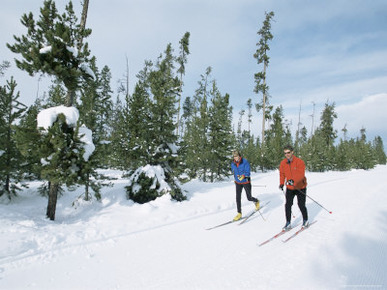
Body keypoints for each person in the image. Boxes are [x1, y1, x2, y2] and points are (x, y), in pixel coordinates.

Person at [279, 145, 309, 229]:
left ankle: (305, 220)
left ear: (292, 152)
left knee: (301, 205)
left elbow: (301, 175)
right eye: (285, 153)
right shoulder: (283, 163)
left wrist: (293, 181)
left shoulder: (299, 162)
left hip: (300, 187)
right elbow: (282, 174)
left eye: (288, 152)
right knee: (288, 205)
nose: (287, 154)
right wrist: (281, 183)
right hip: (290, 188)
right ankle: (288, 223)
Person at [231, 150, 260, 221]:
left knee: (249, 197)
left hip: (246, 182)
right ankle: (239, 213)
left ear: (239, 156)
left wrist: (243, 176)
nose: (236, 158)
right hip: (238, 183)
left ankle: (256, 201)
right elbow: (233, 171)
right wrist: (236, 178)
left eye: (237, 156)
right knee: (238, 198)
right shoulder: (232, 163)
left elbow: (248, 172)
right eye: (234, 157)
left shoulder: (245, 162)